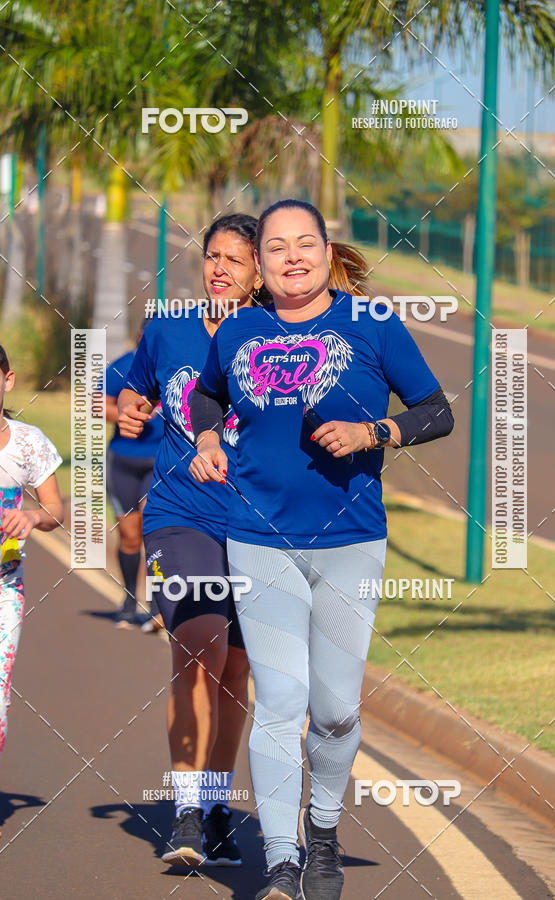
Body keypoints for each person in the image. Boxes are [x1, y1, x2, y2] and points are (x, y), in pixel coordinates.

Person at [189, 199, 454, 900]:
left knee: (335, 709)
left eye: (305, 243)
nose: (292, 257)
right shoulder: (241, 328)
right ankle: (281, 858)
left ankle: (325, 826)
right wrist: (209, 439)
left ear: (329, 250)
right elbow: (207, 397)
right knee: (281, 698)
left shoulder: (371, 325)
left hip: (350, 542)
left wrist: (375, 434)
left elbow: (437, 411)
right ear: (262, 264)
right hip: (257, 539)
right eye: (276, 248)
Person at [116, 214, 268, 868]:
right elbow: (135, 385)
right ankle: (182, 809)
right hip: (179, 513)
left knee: (237, 670)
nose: (219, 268)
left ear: (258, 272)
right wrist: (128, 406)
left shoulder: (278, 338)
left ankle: (213, 806)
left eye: (235, 259)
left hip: (258, 527)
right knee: (197, 644)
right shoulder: (169, 327)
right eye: (212, 256)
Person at [0, 344, 64, 757]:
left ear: (7, 381)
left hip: (5, 589)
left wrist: (33, 518)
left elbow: (55, 509)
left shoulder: (29, 442)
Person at [104, 323, 164, 629]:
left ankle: (157, 608)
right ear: (140, 336)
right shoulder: (125, 365)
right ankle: (129, 601)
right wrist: (129, 414)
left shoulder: (172, 363)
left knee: (152, 531)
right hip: (123, 461)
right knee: (129, 535)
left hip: (158, 463)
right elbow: (100, 404)